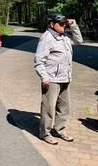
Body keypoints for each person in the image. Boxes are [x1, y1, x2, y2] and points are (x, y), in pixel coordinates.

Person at [34, 13, 83, 145]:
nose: (64, 27)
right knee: (48, 108)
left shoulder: (64, 37)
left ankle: (59, 130)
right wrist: (44, 78)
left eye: (65, 24)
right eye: (61, 24)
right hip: (51, 80)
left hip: (65, 78)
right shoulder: (47, 38)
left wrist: (74, 26)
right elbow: (39, 61)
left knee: (64, 108)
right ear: (51, 24)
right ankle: (45, 133)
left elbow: (79, 41)